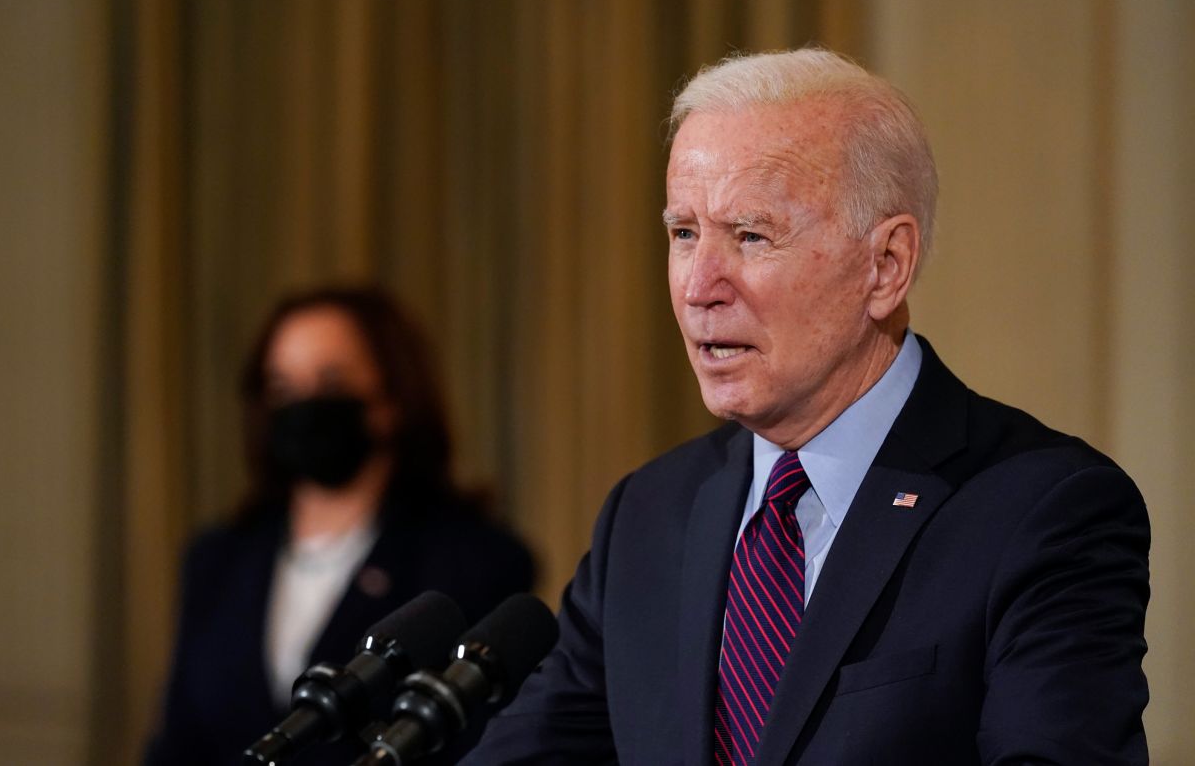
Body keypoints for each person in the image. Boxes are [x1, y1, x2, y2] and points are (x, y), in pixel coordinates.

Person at [462, 49, 1149, 765]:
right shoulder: (648, 515)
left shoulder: (1042, 511)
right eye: (684, 233)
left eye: (750, 236)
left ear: (885, 266)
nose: (700, 286)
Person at [145, 285, 535, 766]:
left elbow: (478, 742)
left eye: (330, 385)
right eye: (282, 389)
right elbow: (179, 741)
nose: (303, 408)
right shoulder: (218, 560)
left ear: (391, 401)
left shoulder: (473, 560)